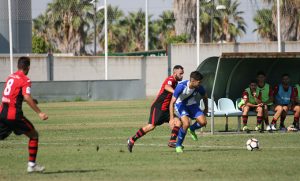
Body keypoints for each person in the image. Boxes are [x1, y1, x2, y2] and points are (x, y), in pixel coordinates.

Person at [0, 57, 48, 173]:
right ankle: (31, 165)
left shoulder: (10, 77)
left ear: (18, 66)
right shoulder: (25, 80)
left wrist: (31, 100)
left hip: (2, 113)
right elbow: (26, 96)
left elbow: (15, 95)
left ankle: (32, 165)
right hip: (14, 115)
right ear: (28, 67)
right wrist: (39, 112)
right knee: (34, 135)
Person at [127, 65, 184, 152]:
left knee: (178, 122)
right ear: (175, 73)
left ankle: (172, 141)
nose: (182, 75)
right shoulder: (170, 79)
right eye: (180, 73)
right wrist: (176, 92)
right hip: (158, 107)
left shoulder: (176, 83)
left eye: (182, 73)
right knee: (151, 127)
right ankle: (132, 140)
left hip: (167, 109)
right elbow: (166, 87)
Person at [169, 71, 208, 153]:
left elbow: (205, 96)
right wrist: (172, 118)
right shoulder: (181, 86)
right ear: (193, 81)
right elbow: (172, 102)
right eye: (199, 82)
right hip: (180, 105)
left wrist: (206, 108)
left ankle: (192, 129)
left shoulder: (199, 87)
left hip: (192, 104)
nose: (200, 84)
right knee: (186, 123)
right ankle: (178, 145)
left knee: (203, 122)